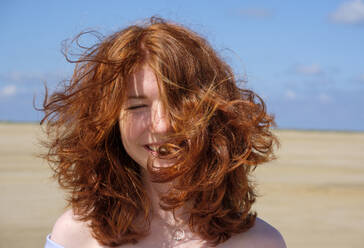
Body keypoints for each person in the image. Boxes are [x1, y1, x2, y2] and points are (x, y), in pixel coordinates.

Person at [41, 17, 286, 248]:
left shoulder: (262, 243)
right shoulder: (76, 236)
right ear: (108, 121)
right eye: (137, 106)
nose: (161, 125)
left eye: (178, 103)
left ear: (216, 114)